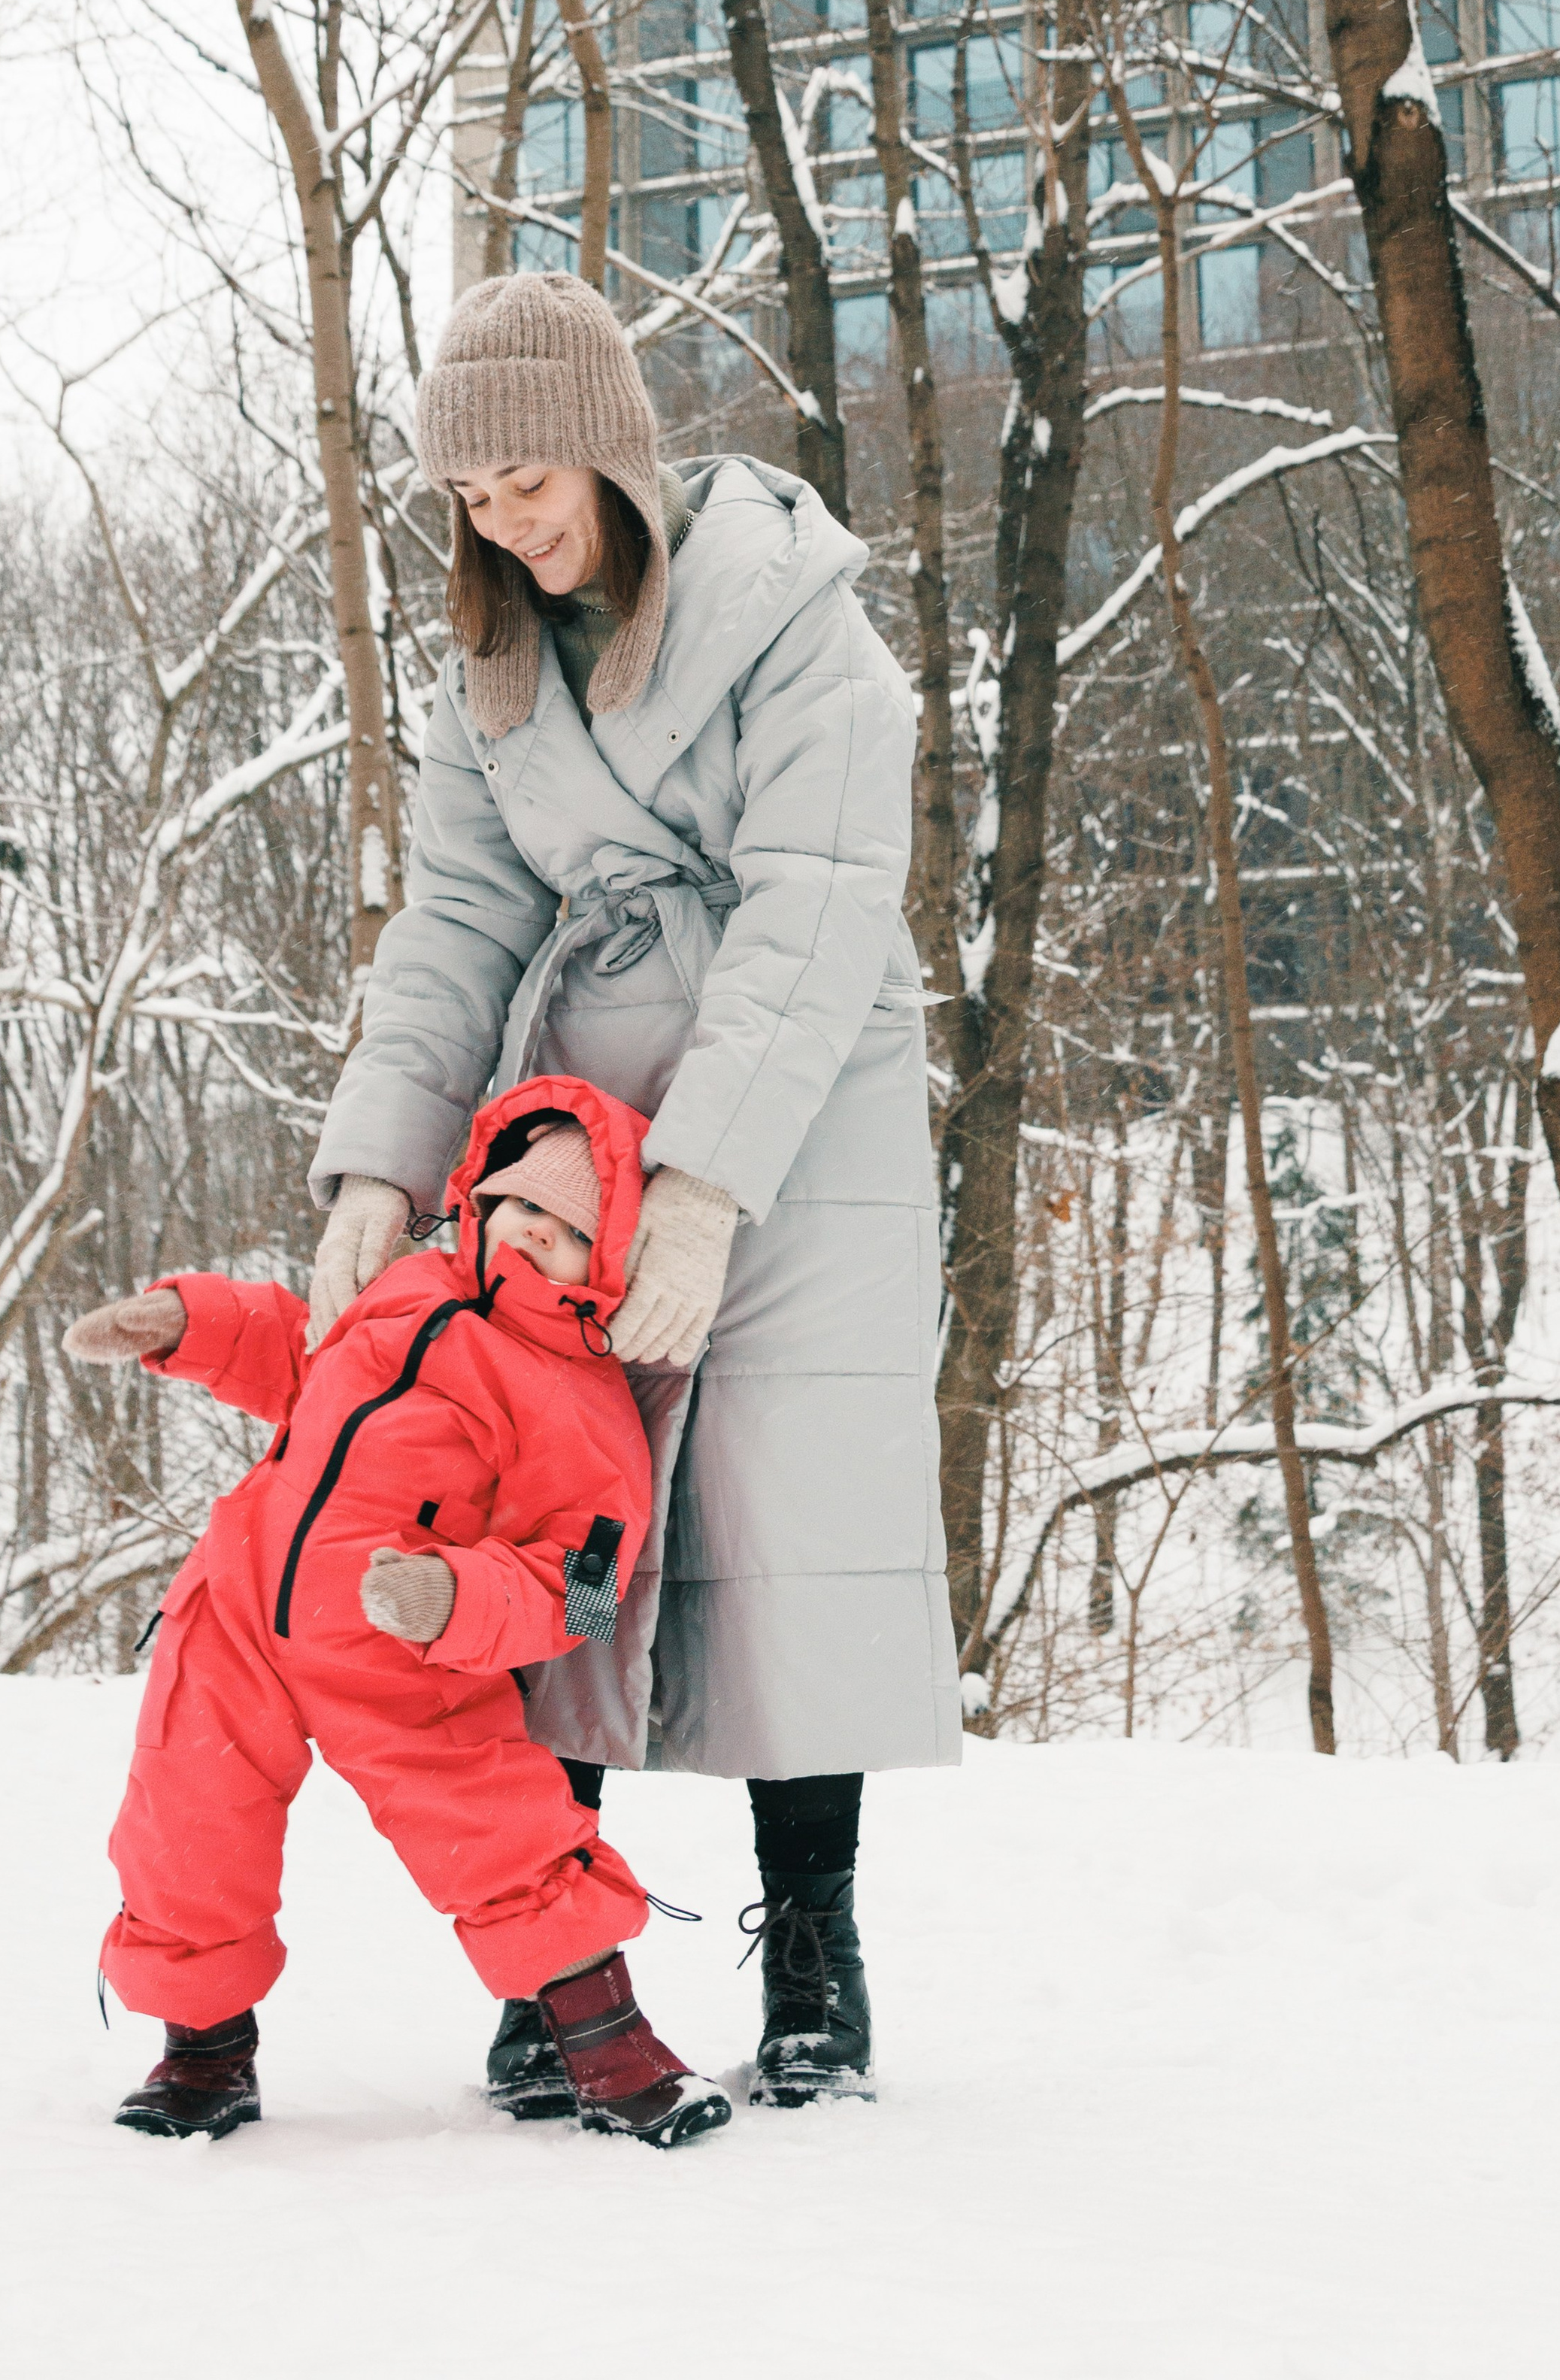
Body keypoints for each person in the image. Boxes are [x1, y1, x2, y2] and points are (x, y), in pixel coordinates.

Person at [307, 271, 962, 2112]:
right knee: (545, 1507)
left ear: (606, 445)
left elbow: (817, 898)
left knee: (779, 1514)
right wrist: (379, 1158)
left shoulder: (795, 621)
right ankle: (558, 1959)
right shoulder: (488, 678)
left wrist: (705, 1188)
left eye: (527, 478)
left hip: (800, 1103)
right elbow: (456, 920)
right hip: (575, 1110)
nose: (502, 520)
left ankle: (813, 1957)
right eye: (468, 496)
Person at [68, 1076, 731, 2152]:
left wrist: (452, 1600)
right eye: (523, 1209)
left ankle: (611, 2046)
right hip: (238, 1605)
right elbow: (304, 1359)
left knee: (504, 1836)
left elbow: (586, 1587)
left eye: (567, 1233)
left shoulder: (580, 1397)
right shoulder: (404, 1287)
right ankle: (202, 2054)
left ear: (610, 1265)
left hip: (401, 1647)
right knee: (185, 1826)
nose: (531, 1240)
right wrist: (188, 1322)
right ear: (484, 1199)